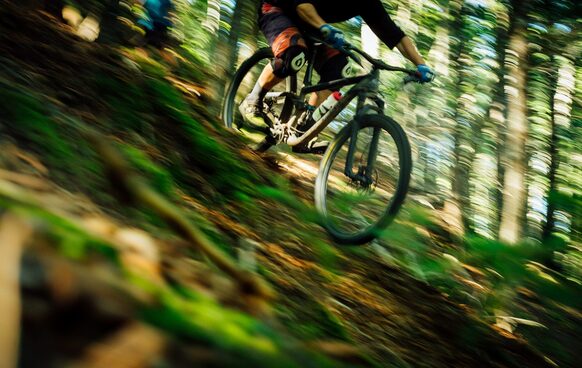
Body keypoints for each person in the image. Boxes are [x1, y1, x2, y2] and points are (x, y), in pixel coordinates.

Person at [240, 0, 434, 153]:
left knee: (339, 69)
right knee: (294, 56)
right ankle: (253, 100)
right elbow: (302, 4)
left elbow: (396, 36)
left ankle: (303, 131)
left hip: (312, 23)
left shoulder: (369, 3)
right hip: (280, 9)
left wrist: (421, 64)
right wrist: (324, 27)